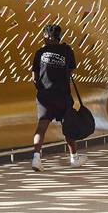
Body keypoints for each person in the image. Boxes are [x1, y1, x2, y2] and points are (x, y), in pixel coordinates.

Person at [30, 24, 83, 170]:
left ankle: (36, 159)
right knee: (68, 126)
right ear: (59, 37)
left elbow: (34, 77)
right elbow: (71, 70)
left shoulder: (39, 53)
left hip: (45, 96)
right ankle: (74, 158)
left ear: (46, 36)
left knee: (41, 126)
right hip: (62, 94)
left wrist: (42, 88)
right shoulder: (67, 50)